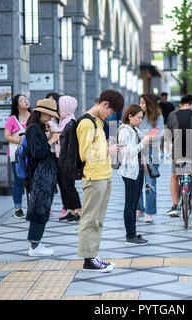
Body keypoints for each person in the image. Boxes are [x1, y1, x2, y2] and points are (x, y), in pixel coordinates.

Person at [77, 89, 124, 272]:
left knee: (98, 219)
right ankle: (88, 259)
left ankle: (93, 255)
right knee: (90, 219)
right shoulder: (87, 123)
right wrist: (108, 151)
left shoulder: (98, 120)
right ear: (104, 104)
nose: (110, 116)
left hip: (103, 175)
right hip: (94, 177)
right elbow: (85, 153)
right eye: (110, 112)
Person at [25, 99, 61, 257]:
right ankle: (34, 245)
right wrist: (51, 140)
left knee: (43, 207)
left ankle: (36, 242)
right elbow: (37, 152)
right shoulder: (33, 129)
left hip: (45, 174)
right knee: (39, 208)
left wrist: (50, 134)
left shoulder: (38, 128)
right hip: (40, 175)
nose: (50, 118)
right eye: (49, 115)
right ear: (40, 112)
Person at [118, 104, 155, 246]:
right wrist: (143, 143)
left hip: (137, 171)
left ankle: (132, 233)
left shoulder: (134, 129)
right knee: (130, 205)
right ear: (130, 117)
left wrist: (148, 138)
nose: (140, 120)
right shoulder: (124, 131)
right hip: (130, 172)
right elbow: (128, 153)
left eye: (141, 118)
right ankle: (130, 235)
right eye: (138, 117)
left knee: (134, 204)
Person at [47, 95, 83, 222]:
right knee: (64, 185)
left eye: (60, 106)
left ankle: (79, 211)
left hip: (67, 159)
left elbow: (61, 134)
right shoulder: (63, 119)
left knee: (69, 185)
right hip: (61, 157)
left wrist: (52, 124)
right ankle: (71, 210)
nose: (58, 108)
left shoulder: (69, 120)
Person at [136, 93, 164, 223]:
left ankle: (149, 211)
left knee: (150, 184)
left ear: (150, 104)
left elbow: (159, 132)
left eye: (143, 103)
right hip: (138, 151)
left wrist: (144, 137)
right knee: (136, 182)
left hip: (152, 152)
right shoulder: (138, 116)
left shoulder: (158, 117)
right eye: (140, 103)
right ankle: (139, 209)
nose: (141, 105)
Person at [4, 94, 30, 219]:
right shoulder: (12, 119)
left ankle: (34, 206)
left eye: (26, 99)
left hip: (32, 155)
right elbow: (6, 136)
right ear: (17, 105)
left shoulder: (33, 117)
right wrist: (19, 140)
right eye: (22, 100)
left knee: (33, 181)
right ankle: (18, 209)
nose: (25, 101)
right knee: (19, 181)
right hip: (17, 156)